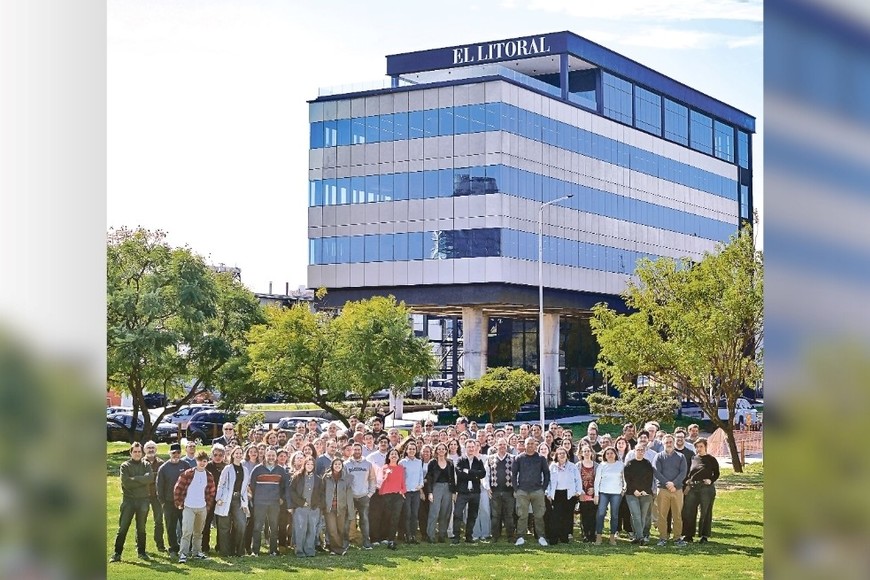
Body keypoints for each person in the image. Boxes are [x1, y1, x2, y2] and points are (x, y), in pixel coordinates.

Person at [110, 442, 154, 563]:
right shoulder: (125, 466)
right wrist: (142, 480)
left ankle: (142, 552)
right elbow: (126, 483)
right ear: (131, 453)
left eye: (139, 451)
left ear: (142, 452)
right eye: (135, 451)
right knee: (123, 527)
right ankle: (117, 553)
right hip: (128, 501)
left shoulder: (146, 464)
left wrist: (134, 478)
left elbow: (150, 478)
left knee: (141, 528)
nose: (137, 453)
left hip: (143, 500)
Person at [173, 450, 217, 563]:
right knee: (187, 531)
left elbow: (212, 493)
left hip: (202, 507)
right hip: (188, 506)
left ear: (207, 462)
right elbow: (178, 488)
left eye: (204, 461)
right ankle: (183, 554)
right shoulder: (188, 473)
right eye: (199, 461)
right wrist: (179, 503)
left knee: (198, 532)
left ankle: (196, 552)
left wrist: (207, 506)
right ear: (196, 461)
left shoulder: (209, 476)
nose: (202, 463)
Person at [249, 448, 292, 556]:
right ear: (265, 456)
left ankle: (273, 550)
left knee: (274, 527)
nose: (271, 458)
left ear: (276, 457)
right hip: (260, 503)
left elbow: (285, 486)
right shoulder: (257, 469)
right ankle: (255, 551)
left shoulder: (280, 470)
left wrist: (282, 497)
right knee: (258, 527)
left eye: (273, 456)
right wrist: (255, 498)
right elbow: (251, 485)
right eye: (269, 455)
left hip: (274, 503)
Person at [512, 436, 550, 547]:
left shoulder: (541, 458)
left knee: (539, 515)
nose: (530, 445)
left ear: (535, 445)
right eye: (528, 443)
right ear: (525, 445)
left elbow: (546, 474)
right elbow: (513, 475)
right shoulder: (519, 458)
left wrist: (543, 488)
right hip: (522, 491)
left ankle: (541, 536)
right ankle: (520, 537)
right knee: (522, 515)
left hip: (537, 491)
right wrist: (516, 489)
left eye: (532, 444)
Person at [680, 438, 720, 544]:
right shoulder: (693, 458)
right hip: (693, 488)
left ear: (706, 446)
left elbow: (716, 473)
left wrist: (711, 480)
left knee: (705, 512)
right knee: (688, 511)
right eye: (697, 447)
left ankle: (704, 535)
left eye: (701, 446)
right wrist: (687, 481)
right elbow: (689, 473)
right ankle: (688, 535)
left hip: (706, 488)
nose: (699, 449)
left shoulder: (711, 459)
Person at [214, 445, 251, 556]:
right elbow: (221, 484)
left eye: (240, 453)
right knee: (224, 527)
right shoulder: (227, 468)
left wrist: (245, 504)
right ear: (233, 455)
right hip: (225, 500)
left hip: (238, 500)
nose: (239, 455)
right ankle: (225, 552)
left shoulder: (245, 470)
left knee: (241, 525)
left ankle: (239, 551)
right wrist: (218, 498)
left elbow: (244, 488)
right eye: (237, 453)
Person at [652, 434, 688, 547]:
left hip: (677, 490)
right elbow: (656, 472)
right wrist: (667, 483)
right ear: (663, 443)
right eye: (666, 442)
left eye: (670, 442)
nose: (668, 444)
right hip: (663, 489)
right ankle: (663, 537)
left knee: (677, 515)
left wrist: (674, 483)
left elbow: (683, 472)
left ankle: (677, 537)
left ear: (673, 443)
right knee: (662, 515)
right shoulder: (658, 456)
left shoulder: (681, 456)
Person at [545, 447, 581, 545]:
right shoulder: (552, 466)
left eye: (563, 453)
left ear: (567, 455)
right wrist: (548, 493)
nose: (562, 455)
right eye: (559, 453)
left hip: (569, 494)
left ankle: (564, 537)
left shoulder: (572, 466)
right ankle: (554, 538)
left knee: (567, 517)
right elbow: (548, 481)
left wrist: (578, 491)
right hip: (556, 494)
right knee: (555, 517)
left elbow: (578, 479)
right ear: (556, 455)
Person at [452, 440, 485, 544]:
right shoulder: (460, 460)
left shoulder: (478, 461)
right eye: (469, 447)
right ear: (465, 448)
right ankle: (456, 536)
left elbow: (482, 474)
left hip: (475, 492)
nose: (471, 449)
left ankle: (468, 536)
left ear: (475, 448)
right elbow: (460, 473)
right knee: (457, 514)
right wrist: (475, 474)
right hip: (463, 492)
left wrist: (469, 471)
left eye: (472, 447)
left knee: (472, 515)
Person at [344, 442, 377, 550]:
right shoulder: (346, 464)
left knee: (364, 519)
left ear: (361, 451)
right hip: (351, 497)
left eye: (359, 449)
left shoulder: (367, 464)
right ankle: (346, 541)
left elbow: (372, 479)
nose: (357, 451)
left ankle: (366, 541)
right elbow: (343, 481)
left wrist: (370, 494)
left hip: (364, 496)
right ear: (352, 450)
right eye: (355, 449)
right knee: (348, 520)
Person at [290, 456, 324, 558]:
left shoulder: (318, 479)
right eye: (308, 464)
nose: (310, 466)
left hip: (313, 508)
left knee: (312, 529)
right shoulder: (297, 477)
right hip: (301, 508)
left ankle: (309, 550)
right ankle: (299, 550)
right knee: (301, 529)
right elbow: (292, 491)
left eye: (312, 464)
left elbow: (321, 493)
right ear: (304, 465)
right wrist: (300, 502)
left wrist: (317, 504)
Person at [623, 441, 655, 545]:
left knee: (644, 516)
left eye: (642, 450)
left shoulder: (648, 464)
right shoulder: (629, 464)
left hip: (646, 493)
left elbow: (649, 479)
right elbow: (628, 479)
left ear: (644, 451)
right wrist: (634, 490)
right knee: (635, 515)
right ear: (634, 451)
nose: (640, 452)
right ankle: (641, 537)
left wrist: (644, 490)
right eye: (638, 450)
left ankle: (639, 536)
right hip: (631, 494)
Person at [593, 446, 625, 546]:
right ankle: (599, 536)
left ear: (615, 454)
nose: (610, 455)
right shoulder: (602, 465)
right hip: (603, 492)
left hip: (616, 493)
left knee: (614, 515)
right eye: (607, 453)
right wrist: (596, 494)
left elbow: (625, 479)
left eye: (612, 453)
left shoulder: (620, 465)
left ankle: (612, 537)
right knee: (601, 514)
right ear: (605, 455)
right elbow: (597, 480)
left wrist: (624, 489)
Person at [425, 442, 456, 543]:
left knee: (445, 512)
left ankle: (442, 535)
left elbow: (453, 479)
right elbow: (428, 478)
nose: (441, 451)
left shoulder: (450, 463)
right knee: (434, 512)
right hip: (436, 488)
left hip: (447, 488)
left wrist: (453, 492)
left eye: (443, 449)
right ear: (436, 451)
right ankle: (431, 535)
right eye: (439, 449)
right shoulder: (432, 463)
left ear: (446, 451)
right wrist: (429, 492)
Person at [323, 457, 354, 555]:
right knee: (332, 529)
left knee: (341, 529)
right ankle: (337, 549)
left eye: (339, 464)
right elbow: (322, 492)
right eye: (335, 464)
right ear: (332, 466)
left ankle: (338, 547)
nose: (337, 466)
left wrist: (350, 510)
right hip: (329, 508)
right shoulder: (326, 477)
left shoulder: (346, 478)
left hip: (341, 507)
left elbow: (349, 494)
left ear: (342, 466)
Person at [378, 449, 406, 550]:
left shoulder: (401, 468)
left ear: (398, 457)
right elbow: (382, 481)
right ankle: (383, 537)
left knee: (395, 517)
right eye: (392, 454)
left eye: (395, 454)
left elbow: (403, 482)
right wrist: (387, 475)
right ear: (388, 457)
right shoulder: (385, 467)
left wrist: (403, 491)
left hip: (398, 496)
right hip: (386, 495)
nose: (394, 456)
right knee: (386, 517)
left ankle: (391, 539)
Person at [142, 440, 166, 553]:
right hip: (143, 496)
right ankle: (140, 546)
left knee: (159, 521)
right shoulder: (140, 463)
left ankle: (160, 545)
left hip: (157, 496)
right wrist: (153, 477)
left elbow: (163, 480)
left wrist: (149, 478)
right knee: (141, 521)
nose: (151, 450)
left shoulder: (162, 463)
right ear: (144, 450)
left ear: (156, 449)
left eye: (153, 448)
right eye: (148, 448)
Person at [201, 443, 226, 553]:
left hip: (222, 500)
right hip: (208, 499)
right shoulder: (207, 467)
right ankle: (204, 546)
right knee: (206, 523)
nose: (218, 457)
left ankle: (220, 546)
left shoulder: (226, 467)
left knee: (222, 524)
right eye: (215, 454)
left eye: (220, 455)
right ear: (212, 455)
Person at [399, 440, 425, 544]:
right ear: (406, 450)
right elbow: (400, 478)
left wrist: (421, 485)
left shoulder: (419, 462)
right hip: (406, 492)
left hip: (416, 491)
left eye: (414, 449)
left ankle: (413, 535)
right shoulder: (402, 462)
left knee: (414, 514)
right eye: (410, 449)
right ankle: (407, 535)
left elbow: (420, 476)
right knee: (407, 514)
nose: (412, 451)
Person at [576, 445, 598, 543]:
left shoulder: (596, 465)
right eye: (585, 451)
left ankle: (592, 534)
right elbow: (576, 480)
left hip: (593, 493)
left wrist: (594, 489)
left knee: (593, 515)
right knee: (584, 515)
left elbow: (599, 479)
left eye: (588, 451)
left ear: (592, 452)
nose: (587, 453)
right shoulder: (578, 465)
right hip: (582, 493)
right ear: (581, 453)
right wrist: (581, 491)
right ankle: (585, 534)